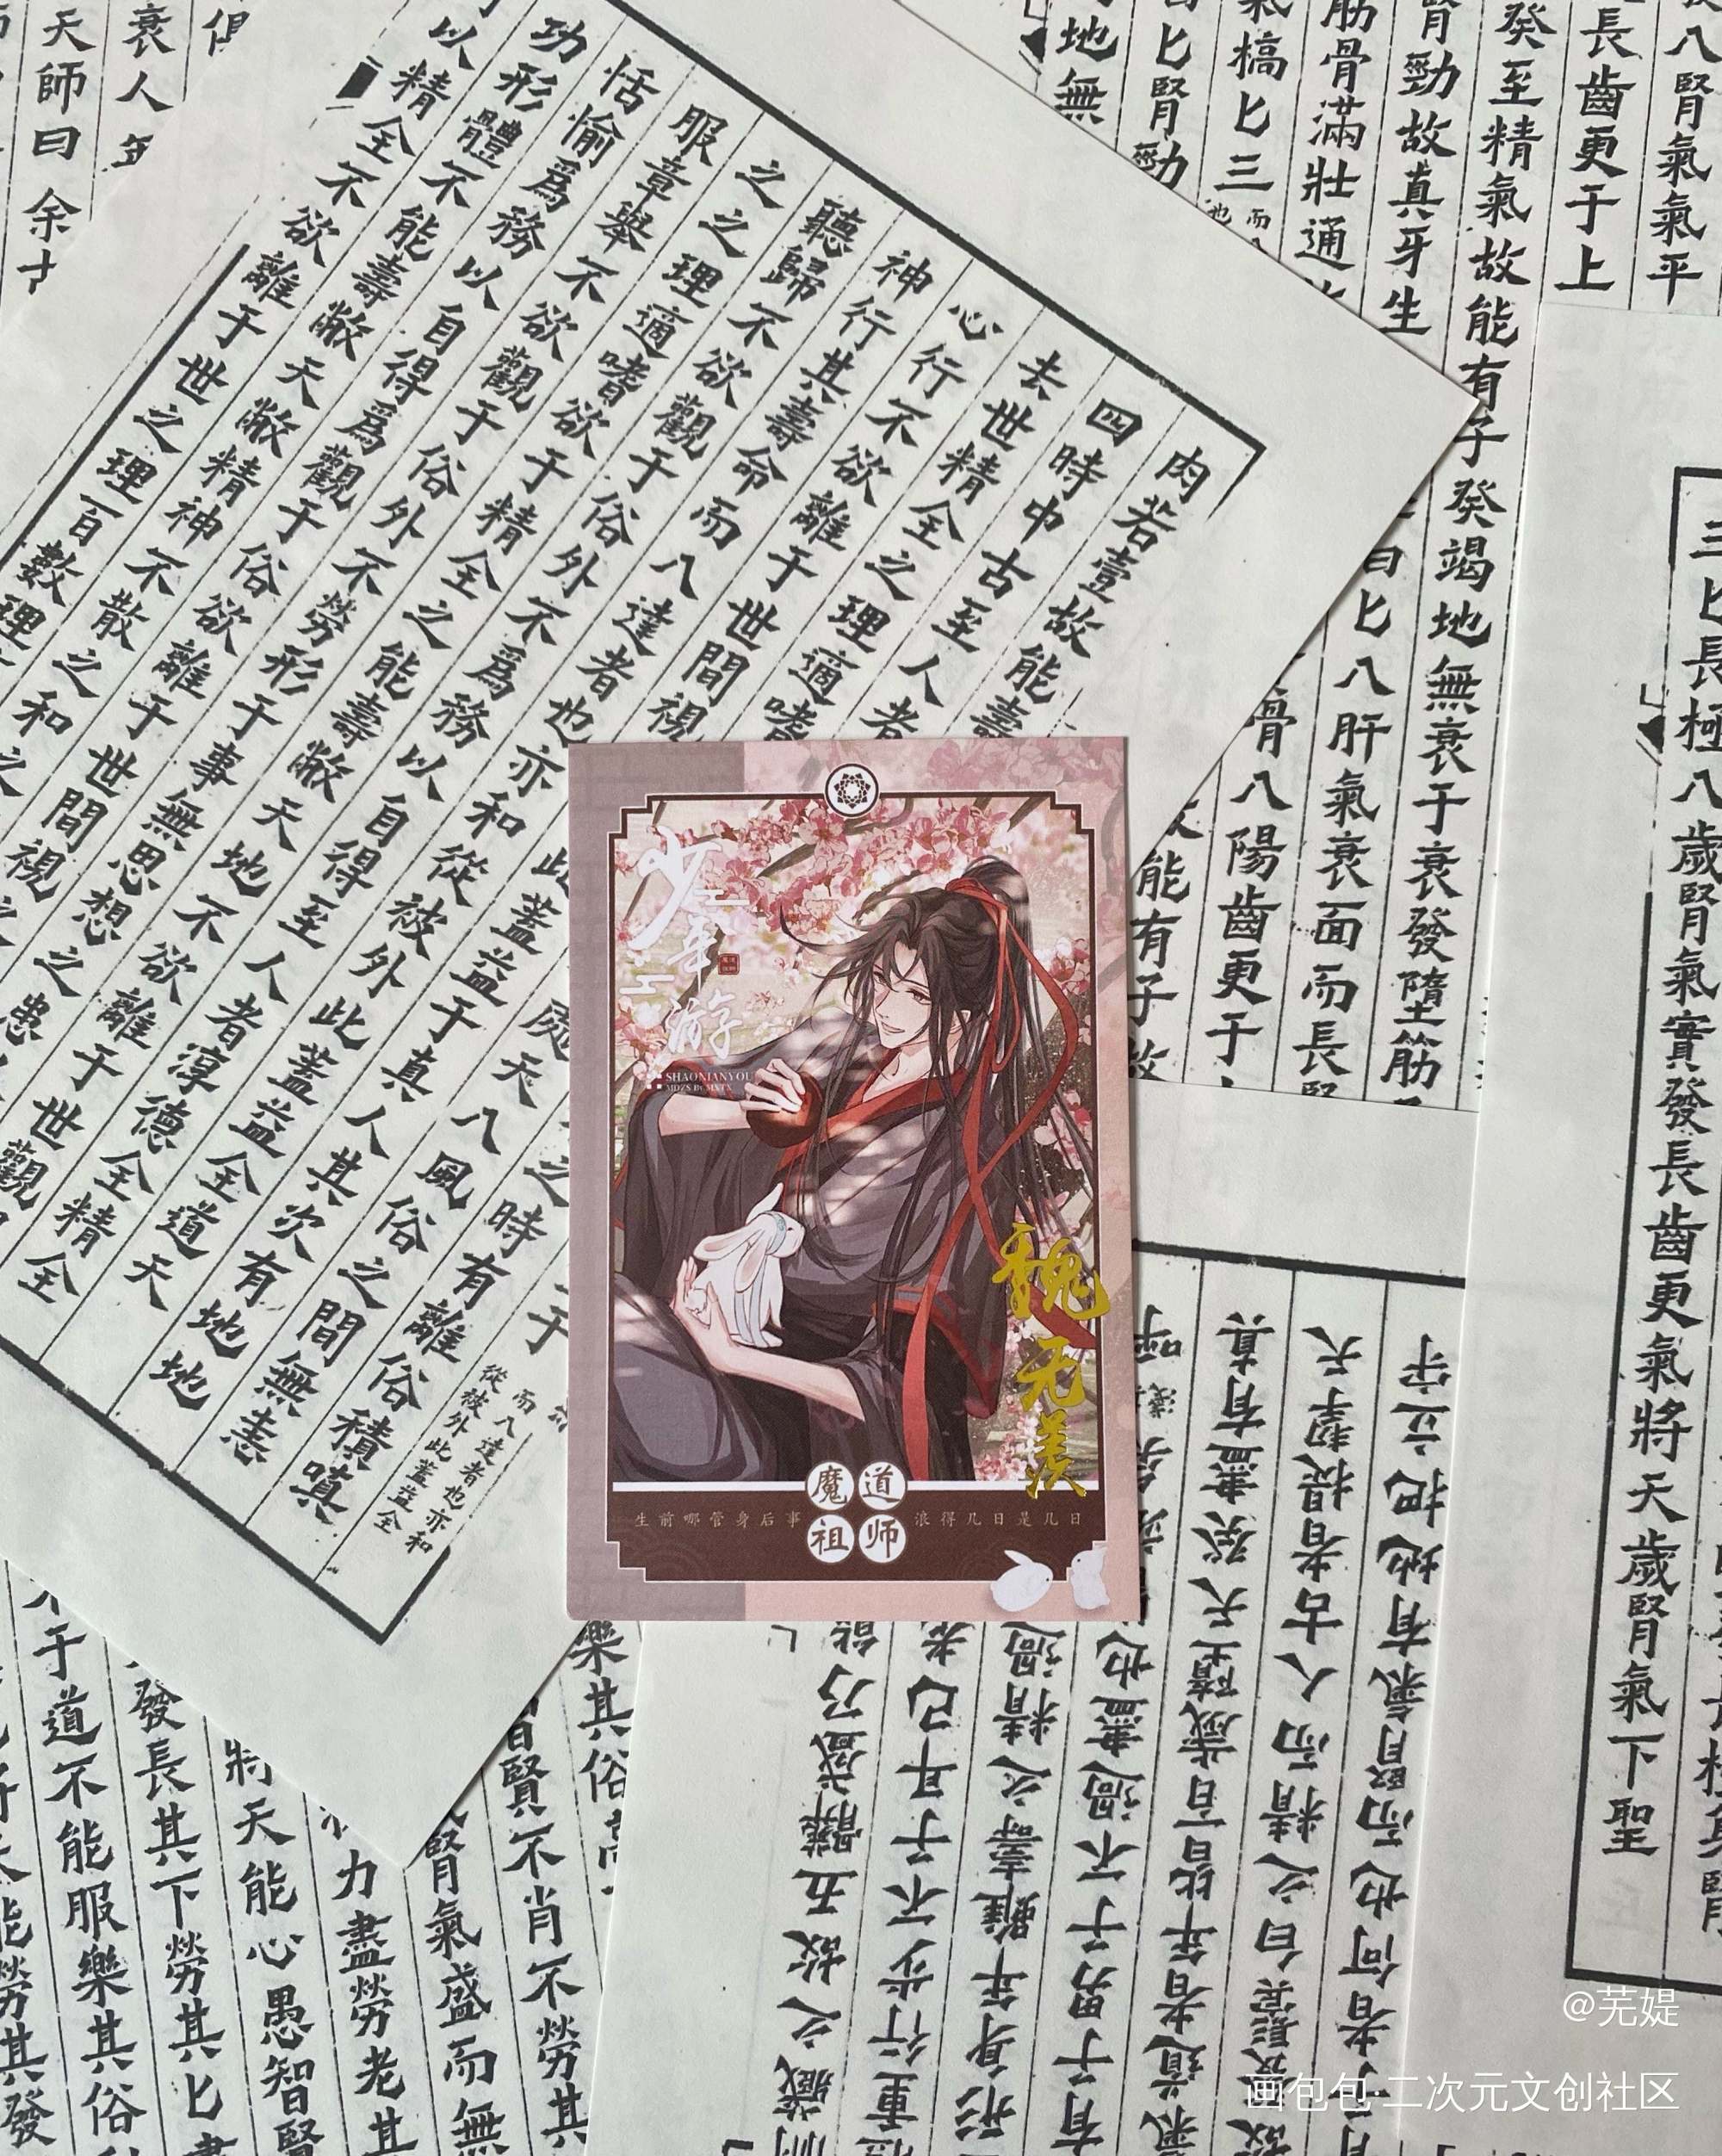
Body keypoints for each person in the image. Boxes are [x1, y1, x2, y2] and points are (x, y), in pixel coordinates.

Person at [608, 855, 1094, 1484]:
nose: (888, 1006)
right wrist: (752, 1117)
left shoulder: (967, 1164)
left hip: (787, 1415)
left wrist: (730, 1356)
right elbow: (662, 1110)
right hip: (689, 1329)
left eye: (917, 995)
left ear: (967, 1013)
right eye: (887, 979)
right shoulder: (834, 1044)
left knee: (614, 1343)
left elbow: (913, 1391)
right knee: (598, 1307)